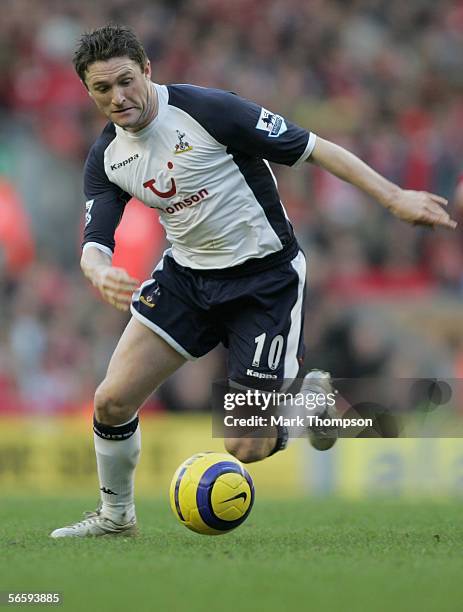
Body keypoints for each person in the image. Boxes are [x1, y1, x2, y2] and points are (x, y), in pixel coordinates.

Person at [50, 24, 456, 537]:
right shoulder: (107, 157)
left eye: (126, 81)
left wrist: (394, 196)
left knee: (244, 446)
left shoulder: (209, 111)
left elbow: (315, 147)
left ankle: (309, 406)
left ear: (148, 69)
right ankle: (116, 518)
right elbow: (94, 242)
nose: (118, 97)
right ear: (88, 91)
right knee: (110, 401)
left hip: (263, 283)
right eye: (102, 89)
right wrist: (99, 270)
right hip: (188, 279)